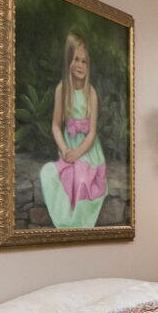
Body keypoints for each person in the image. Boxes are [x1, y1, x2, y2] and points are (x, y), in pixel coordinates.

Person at [40, 32, 107, 227]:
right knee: (50, 173)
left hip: (88, 151)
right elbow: (55, 125)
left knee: (83, 180)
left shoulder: (90, 93)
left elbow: (92, 132)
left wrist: (78, 152)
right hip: (69, 150)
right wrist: (65, 149)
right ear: (69, 61)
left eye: (84, 61)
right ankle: (65, 223)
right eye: (76, 59)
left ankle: (77, 226)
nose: (80, 65)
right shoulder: (62, 89)